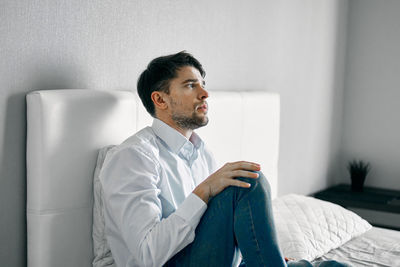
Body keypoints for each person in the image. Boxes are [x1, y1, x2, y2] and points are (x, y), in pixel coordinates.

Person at [100, 51, 349, 267]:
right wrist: (204, 191)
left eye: (203, 84)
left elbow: (221, 233)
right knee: (247, 180)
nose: (205, 93)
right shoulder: (133, 156)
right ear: (160, 99)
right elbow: (147, 255)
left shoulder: (201, 154)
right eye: (190, 85)